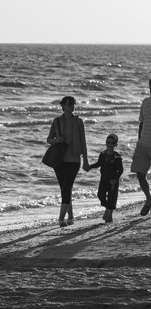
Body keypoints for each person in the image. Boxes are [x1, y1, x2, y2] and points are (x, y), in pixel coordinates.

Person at [46, 96, 89, 227]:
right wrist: (56, 140)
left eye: (72, 104)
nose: (70, 106)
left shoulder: (79, 122)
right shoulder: (57, 121)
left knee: (67, 187)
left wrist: (86, 161)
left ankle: (60, 219)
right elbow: (49, 139)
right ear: (62, 106)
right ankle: (70, 216)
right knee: (65, 189)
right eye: (67, 104)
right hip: (59, 160)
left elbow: (83, 141)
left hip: (74, 159)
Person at [88, 133, 124, 223]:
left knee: (112, 198)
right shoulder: (103, 154)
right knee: (100, 195)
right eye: (108, 142)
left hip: (113, 181)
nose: (110, 144)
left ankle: (109, 214)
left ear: (115, 144)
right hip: (103, 179)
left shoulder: (117, 156)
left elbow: (121, 170)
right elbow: (98, 164)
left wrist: (115, 179)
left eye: (112, 143)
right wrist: (90, 167)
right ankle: (108, 209)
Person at [131, 78, 151, 216]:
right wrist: (138, 141)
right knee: (139, 174)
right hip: (143, 145)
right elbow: (141, 123)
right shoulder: (145, 102)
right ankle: (149, 200)